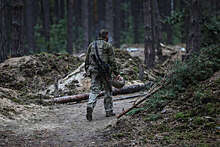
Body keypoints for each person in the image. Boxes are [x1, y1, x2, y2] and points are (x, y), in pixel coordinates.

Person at [85, 29, 120, 121]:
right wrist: (116, 73)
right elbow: (112, 61)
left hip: (94, 71)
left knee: (94, 90)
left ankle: (90, 105)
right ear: (106, 36)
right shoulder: (108, 46)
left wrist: (87, 71)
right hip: (105, 72)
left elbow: (87, 60)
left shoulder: (92, 45)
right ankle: (109, 111)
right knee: (108, 90)